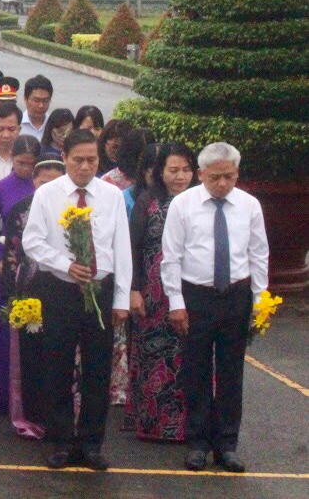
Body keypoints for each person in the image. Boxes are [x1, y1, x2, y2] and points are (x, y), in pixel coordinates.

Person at [22, 129, 131, 471]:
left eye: (92, 160)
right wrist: (66, 264)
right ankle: (61, 441)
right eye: (78, 160)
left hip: (100, 290)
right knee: (58, 365)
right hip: (61, 289)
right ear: (65, 157)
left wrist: (122, 298)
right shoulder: (48, 195)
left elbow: (121, 249)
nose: (85, 167)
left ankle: (91, 442)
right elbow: (33, 242)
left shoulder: (111, 195)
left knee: (97, 370)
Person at [162, 142, 269, 474]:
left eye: (229, 176)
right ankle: (197, 443)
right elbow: (171, 258)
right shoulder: (183, 205)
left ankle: (227, 445)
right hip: (196, 297)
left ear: (236, 173)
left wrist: (260, 300)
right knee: (195, 371)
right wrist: (176, 303)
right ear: (200, 174)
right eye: (215, 177)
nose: (223, 184)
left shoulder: (249, 205)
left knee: (230, 372)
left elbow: (258, 254)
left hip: (235, 296)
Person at [128, 142, 197, 443]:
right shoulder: (148, 201)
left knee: (190, 357)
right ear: (160, 172)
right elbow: (133, 247)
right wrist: (133, 289)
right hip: (154, 293)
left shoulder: (201, 201)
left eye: (186, 170)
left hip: (192, 289)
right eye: (173, 170)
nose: (180, 176)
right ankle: (153, 424)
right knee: (154, 357)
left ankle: (191, 426)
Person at [1, 157, 64, 440]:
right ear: (33, 181)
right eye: (42, 181)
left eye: (54, 182)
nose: (47, 187)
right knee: (31, 355)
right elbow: (12, 254)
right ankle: (34, 415)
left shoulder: (71, 208)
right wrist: (13, 296)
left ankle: (60, 416)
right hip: (29, 288)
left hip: (62, 286)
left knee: (59, 352)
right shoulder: (20, 210)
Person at [0, 135, 41, 417]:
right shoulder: (0, 188)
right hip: (7, 265)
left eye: (31, 164)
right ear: (12, 160)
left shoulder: (43, 187)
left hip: (36, 268)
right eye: (20, 163)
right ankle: (0, 396)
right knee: (3, 331)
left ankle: (30, 398)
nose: (26, 169)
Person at [20, 75, 53, 140]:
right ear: (25, 99)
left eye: (45, 101)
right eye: (36, 100)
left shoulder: (54, 126)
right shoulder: (17, 125)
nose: (41, 105)